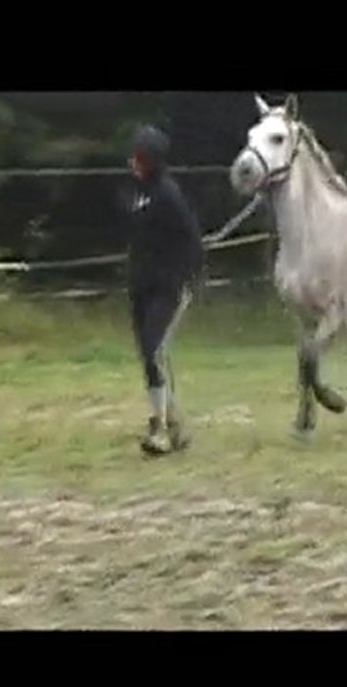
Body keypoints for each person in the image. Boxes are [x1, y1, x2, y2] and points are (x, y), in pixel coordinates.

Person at [123, 124, 204, 456]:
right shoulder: (139, 193)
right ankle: (170, 424)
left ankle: (162, 427)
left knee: (156, 349)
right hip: (142, 284)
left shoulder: (168, 194)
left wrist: (187, 277)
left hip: (168, 286)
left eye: (140, 157)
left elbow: (192, 239)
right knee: (148, 353)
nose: (133, 162)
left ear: (152, 160)